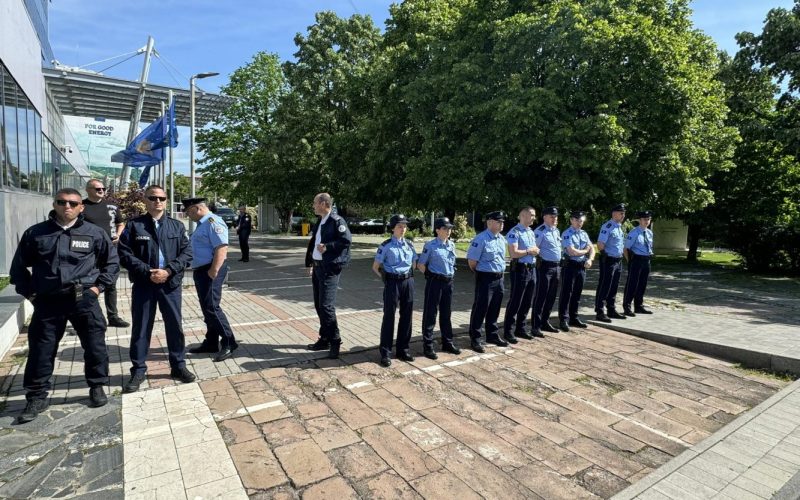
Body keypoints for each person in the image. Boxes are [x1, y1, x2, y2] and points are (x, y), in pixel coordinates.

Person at [10, 188, 119, 423]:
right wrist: (32, 295)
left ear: (82, 207)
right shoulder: (36, 233)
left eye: (72, 203)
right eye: (62, 202)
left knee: (95, 346)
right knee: (41, 351)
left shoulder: (95, 233)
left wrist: (96, 289)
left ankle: (97, 385)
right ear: (55, 204)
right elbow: (18, 270)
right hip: (48, 302)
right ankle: (36, 396)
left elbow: (111, 264)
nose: (67, 207)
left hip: (84, 301)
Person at [118, 185, 196, 393]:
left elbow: (187, 254)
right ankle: (138, 370)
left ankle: (178, 366)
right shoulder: (135, 226)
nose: (157, 201)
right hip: (145, 284)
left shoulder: (176, 226)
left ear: (166, 200)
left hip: (170, 285)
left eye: (161, 198)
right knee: (141, 328)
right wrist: (147, 271)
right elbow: (125, 254)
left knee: (174, 327)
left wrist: (168, 271)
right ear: (145, 200)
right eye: (153, 197)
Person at [184, 198, 239, 362]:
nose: (188, 216)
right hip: (202, 269)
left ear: (196, 209)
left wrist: (213, 271)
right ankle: (211, 342)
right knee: (206, 307)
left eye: (188, 212)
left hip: (210, 269)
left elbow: (221, 248)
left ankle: (229, 341)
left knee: (212, 307)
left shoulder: (213, 222)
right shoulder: (203, 223)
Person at [304, 193, 352, 359]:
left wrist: (328, 246)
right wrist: (310, 263)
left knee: (326, 306)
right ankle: (324, 337)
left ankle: (335, 340)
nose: (313, 205)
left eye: (315, 203)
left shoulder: (336, 220)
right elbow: (313, 243)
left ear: (324, 203)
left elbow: (346, 240)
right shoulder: (321, 220)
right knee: (319, 305)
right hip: (318, 268)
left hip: (329, 269)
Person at [82, 178, 129, 328]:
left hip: (110, 250)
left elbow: (120, 223)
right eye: (97, 189)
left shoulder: (112, 207)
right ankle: (91, 316)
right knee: (88, 283)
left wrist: (119, 235)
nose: (101, 191)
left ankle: (113, 317)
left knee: (110, 284)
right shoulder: (81, 207)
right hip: (89, 252)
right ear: (88, 190)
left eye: (103, 189)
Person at [372, 214, 418, 367]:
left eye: (405, 226)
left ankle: (403, 349)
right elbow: (375, 267)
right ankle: (385, 352)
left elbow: (414, 265)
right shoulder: (385, 246)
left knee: (407, 316)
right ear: (392, 228)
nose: (403, 229)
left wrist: (408, 277)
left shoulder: (410, 245)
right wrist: (386, 279)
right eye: (400, 226)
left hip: (408, 281)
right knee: (389, 317)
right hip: (392, 283)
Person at [418, 217, 460, 359]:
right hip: (434, 283)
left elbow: (452, 263)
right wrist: (431, 277)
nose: (448, 231)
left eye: (449, 229)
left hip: (448, 283)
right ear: (437, 230)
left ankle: (447, 342)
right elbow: (421, 265)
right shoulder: (430, 245)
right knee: (430, 315)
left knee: (446, 314)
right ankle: (428, 346)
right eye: (445, 228)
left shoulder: (451, 245)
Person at [466, 211, 507, 352]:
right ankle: (475, 338)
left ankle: (492, 335)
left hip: (499, 278)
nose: (502, 224)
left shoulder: (502, 239)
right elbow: (472, 262)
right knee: (481, 308)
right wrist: (483, 274)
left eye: (502, 222)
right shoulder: (481, 239)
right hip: (485, 278)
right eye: (498, 221)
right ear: (489, 222)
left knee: (495, 308)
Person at [503, 207, 540, 343]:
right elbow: (513, 253)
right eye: (532, 215)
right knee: (516, 301)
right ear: (523, 216)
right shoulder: (515, 232)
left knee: (527, 301)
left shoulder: (530, 231)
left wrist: (534, 251)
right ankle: (508, 331)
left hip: (532, 269)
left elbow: (532, 249)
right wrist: (529, 251)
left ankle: (521, 328)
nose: (534, 218)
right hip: (520, 269)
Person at [558, 210, 595, 331]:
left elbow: (592, 249)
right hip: (570, 266)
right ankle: (563, 319)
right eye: (578, 221)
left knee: (577, 293)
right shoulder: (567, 234)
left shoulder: (584, 234)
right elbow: (572, 251)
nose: (580, 223)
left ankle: (574, 317)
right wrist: (585, 251)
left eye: (582, 221)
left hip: (581, 266)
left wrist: (590, 259)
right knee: (566, 293)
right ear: (572, 220)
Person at [531, 206, 562, 337]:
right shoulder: (540, 231)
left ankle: (545, 321)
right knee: (541, 297)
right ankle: (535, 326)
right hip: (545, 267)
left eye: (556, 216)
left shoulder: (556, 231)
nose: (555, 218)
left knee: (551, 296)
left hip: (557, 267)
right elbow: (534, 249)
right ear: (544, 217)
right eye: (552, 216)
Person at [595, 203, 628, 322]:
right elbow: (600, 244)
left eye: (624, 213)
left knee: (614, 285)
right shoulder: (607, 226)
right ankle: (599, 311)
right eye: (621, 213)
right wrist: (606, 256)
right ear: (614, 213)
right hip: (609, 260)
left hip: (618, 260)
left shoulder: (619, 227)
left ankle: (611, 309)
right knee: (605, 285)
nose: (623, 215)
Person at [623, 211, 655, 316]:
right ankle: (627, 307)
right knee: (632, 284)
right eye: (645, 219)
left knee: (642, 284)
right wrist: (630, 261)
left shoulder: (649, 233)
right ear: (640, 220)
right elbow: (625, 248)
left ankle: (639, 306)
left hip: (646, 260)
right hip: (636, 260)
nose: (647, 221)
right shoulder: (634, 232)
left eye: (648, 219)